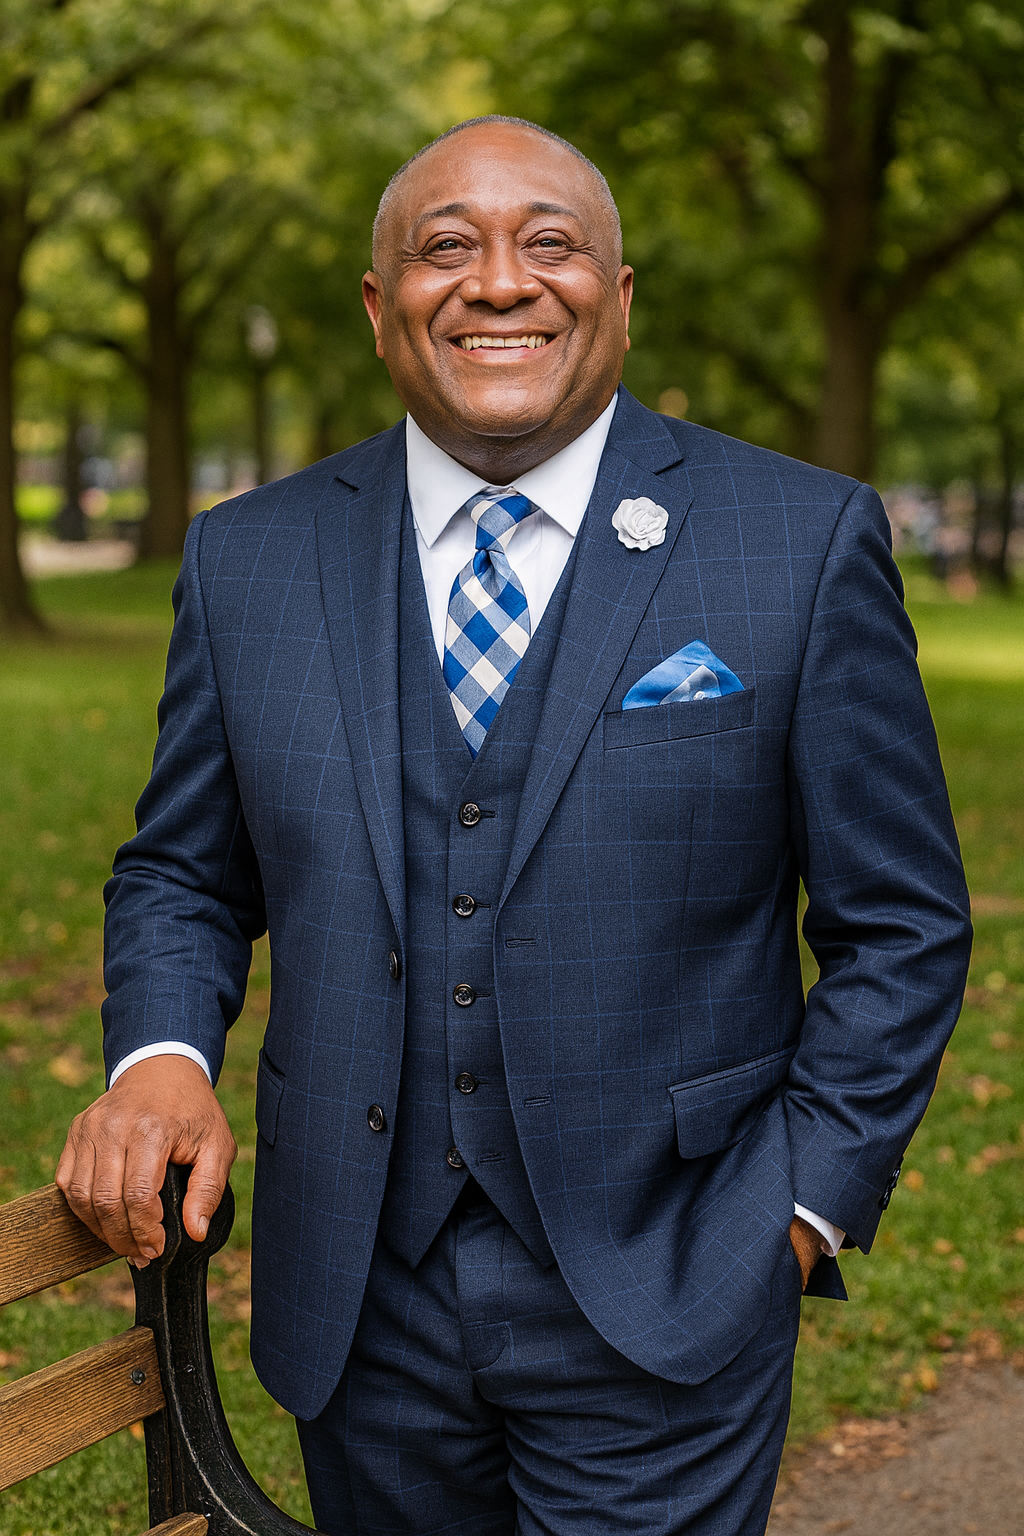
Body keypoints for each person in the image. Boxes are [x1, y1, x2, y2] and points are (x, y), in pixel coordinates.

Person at [57, 116, 971, 1536]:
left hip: (674, 1282)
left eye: (550, 242)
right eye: (445, 247)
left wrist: (797, 1211)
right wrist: (164, 1056)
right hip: (361, 1299)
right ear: (380, 308)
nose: (499, 281)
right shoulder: (250, 558)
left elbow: (901, 925)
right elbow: (182, 867)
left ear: (618, 295)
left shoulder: (796, 541)